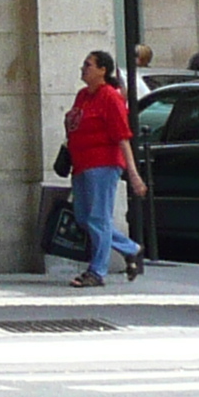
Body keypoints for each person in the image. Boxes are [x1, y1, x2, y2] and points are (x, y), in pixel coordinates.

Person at [63, 51, 147, 288]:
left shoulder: (110, 98)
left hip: (103, 164)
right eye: (84, 64)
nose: (83, 68)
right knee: (84, 217)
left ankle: (97, 271)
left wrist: (133, 174)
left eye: (88, 65)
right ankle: (130, 249)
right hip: (81, 164)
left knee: (98, 218)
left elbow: (123, 137)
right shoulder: (82, 96)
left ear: (102, 70)